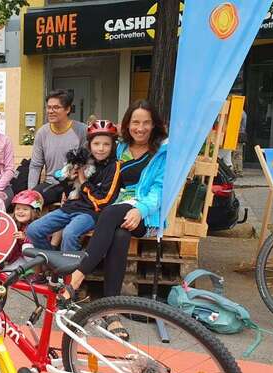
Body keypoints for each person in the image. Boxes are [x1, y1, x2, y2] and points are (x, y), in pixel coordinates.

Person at [68, 100, 169, 340]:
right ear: (127, 124)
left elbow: (159, 190)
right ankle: (111, 311)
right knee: (119, 234)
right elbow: (96, 160)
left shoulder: (162, 153)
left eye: (146, 123)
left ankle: (75, 278)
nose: (140, 128)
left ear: (154, 125)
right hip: (114, 212)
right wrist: (76, 173)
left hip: (143, 215)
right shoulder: (119, 148)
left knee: (112, 214)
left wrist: (140, 210)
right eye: (135, 122)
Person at [26, 120, 121, 254]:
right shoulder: (82, 161)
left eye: (106, 144)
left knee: (70, 234)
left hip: (91, 213)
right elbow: (68, 190)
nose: (101, 148)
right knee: (33, 230)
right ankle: (53, 264)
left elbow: (103, 201)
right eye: (96, 144)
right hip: (69, 207)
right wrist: (68, 179)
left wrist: (83, 181)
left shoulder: (114, 167)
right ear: (89, 145)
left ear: (113, 146)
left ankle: (69, 273)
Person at [27, 89, 88, 206]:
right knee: (31, 202)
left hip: (75, 183)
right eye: (49, 107)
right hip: (51, 184)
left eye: (56, 107)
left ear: (68, 109)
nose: (51, 111)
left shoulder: (82, 130)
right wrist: (30, 192)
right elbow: (35, 165)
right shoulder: (42, 133)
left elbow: (86, 164)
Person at [3, 189, 44, 272]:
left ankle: (37, 273)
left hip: (39, 260)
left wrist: (25, 238)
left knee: (26, 247)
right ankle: (27, 272)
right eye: (18, 208)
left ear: (34, 211)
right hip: (20, 258)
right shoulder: (13, 224)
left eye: (25, 209)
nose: (20, 212)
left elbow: (43, 243)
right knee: (5, 276)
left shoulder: (39, 225)